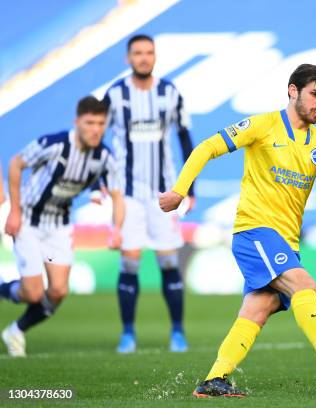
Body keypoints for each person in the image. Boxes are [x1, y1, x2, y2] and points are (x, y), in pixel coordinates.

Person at [159, 64, 316, 397]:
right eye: (314, 94)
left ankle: (213, 381)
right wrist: (179, 189)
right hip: (255, 231)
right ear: (293, 91)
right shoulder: (262, 126)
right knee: (304, 283)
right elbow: (207, 147)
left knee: (258, 309)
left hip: (285, 240)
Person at [0, 96, 124, 357]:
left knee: (58, 291)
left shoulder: (104, 156)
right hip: (29, 223)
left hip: (59, 227)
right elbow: (16, 163)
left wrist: (117, 229)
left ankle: (16, 329)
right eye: (90, 122)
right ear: (77, 122)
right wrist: (14, 211)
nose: (95, 129)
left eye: (101, 123)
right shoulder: (54, 144)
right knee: (32, 293)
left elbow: (116, 195)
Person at [102, 34, 195, 353]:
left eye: (149, 52)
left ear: (155, 57)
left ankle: (178, 333)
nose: (143, 57)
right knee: (129, 263)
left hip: (163, 193)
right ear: (128, 58)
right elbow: (96, 137)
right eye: (138, 53)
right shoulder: (114, 95)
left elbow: (185, 139)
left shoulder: (170, 93)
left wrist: (189, 189)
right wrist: (101, 181)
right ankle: (127, 333)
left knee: (169, 261)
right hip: (127, 194)